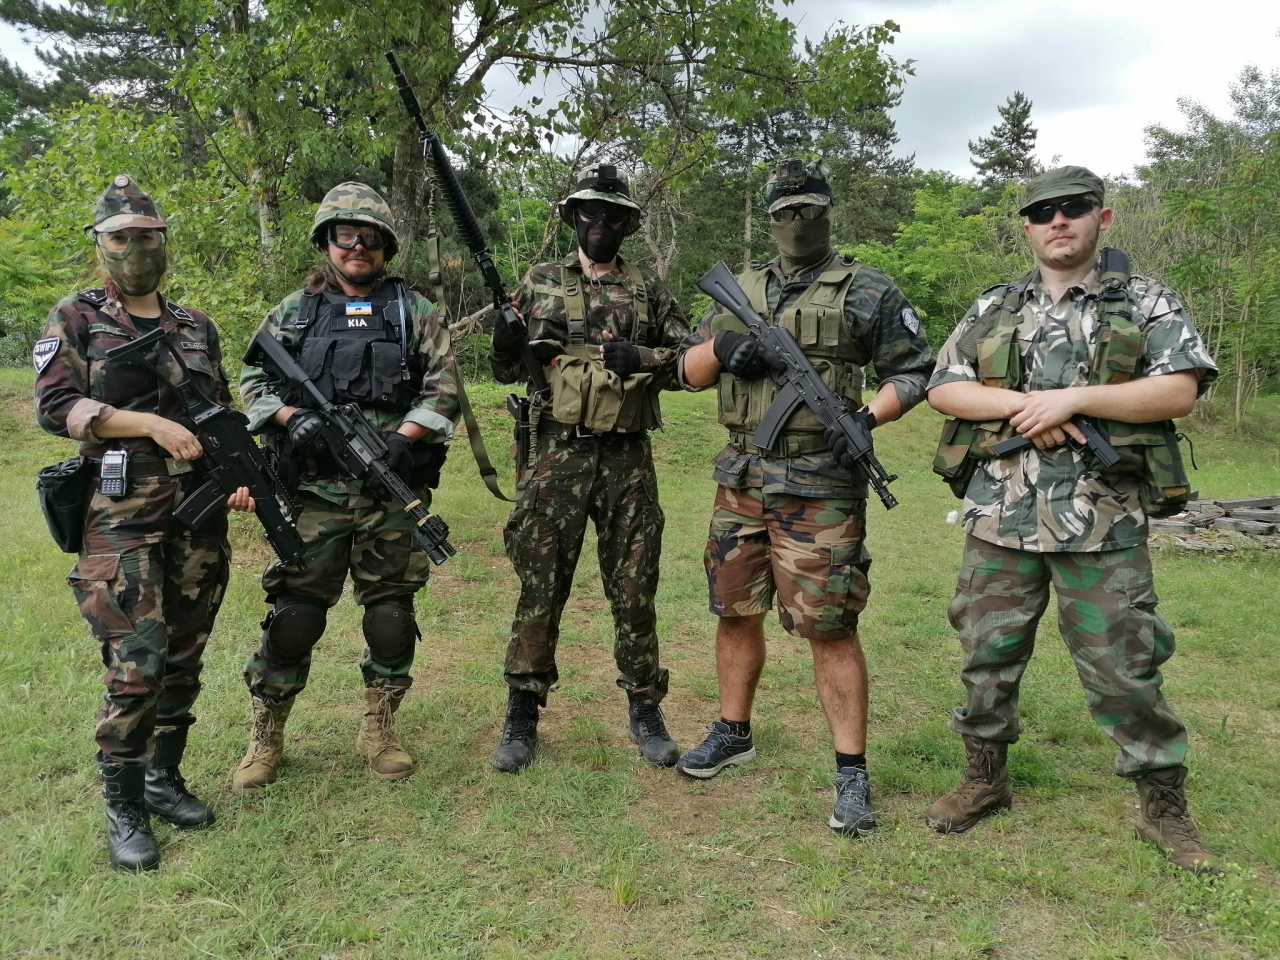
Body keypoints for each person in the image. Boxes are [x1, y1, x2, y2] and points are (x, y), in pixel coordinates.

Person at [924, 165, 1219, 873]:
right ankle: (984, 779)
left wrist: (1075, 400)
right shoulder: (995, 304)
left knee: (1125, 666)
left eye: (1074, 208)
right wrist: (1027, 407)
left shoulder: (1146, 300)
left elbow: (1178, 390)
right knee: (986, 656)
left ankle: (1162, 806)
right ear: (1027, 227)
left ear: (1101, 217)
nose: (1058, 221)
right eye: (1042, 212)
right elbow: (944, 387)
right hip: (1000, 517)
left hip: (1103, 520)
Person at [674, 158, 934, 836]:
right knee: (734, 611)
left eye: (809, 209)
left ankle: (851, 771)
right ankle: (733, 730)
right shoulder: (740, 287)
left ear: (827, 211)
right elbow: (686, 370)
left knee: (830, 626)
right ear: (770, 218)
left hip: (821, 486)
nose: (798, 221)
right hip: (741, 479)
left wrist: (868, 418)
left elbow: (914, 372)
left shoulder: (868, 289)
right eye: (785, 212)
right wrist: (725, 346)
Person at [33, 174, 255, 872]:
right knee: (137, 663)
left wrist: (241, 473)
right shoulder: (77, 316)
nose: (136, 249)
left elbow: (218, 411)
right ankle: (124, 803)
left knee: (185, 654)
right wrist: (148, 424)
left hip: (198, 516)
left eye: (147, 236)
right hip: (122, 518)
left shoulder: (196, 326)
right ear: (100, 244)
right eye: (122, 237)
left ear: (165, 241)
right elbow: (55, 406)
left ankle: (164, 778)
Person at [231, 182, 459, 791]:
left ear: (386, 245)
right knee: (295, 614)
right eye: (345, 234)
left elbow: (444, 384)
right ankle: (267, 731)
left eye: (370, 236)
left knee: (390, 613)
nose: (358, 246)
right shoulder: (293, 311)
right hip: (314, 495)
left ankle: (380, 726)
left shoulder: (414, 310)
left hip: (391, 491)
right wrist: (291, 418)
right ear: (326, 241)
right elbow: (253, 379)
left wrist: (406, 436)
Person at [490, 163, 691, 772]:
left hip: (628, 456)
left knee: (634, 585)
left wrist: (644, 356)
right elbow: (504, 369)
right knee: (540, 583)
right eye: (590, 212)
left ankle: (645, 707)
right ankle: (522, 712)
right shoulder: (540, 281)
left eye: (613, 216)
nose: (600, 223)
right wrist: (503, 342)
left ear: (626, 224)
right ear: (574, 217)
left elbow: (691, 360)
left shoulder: (649, 290)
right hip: (556, 452)